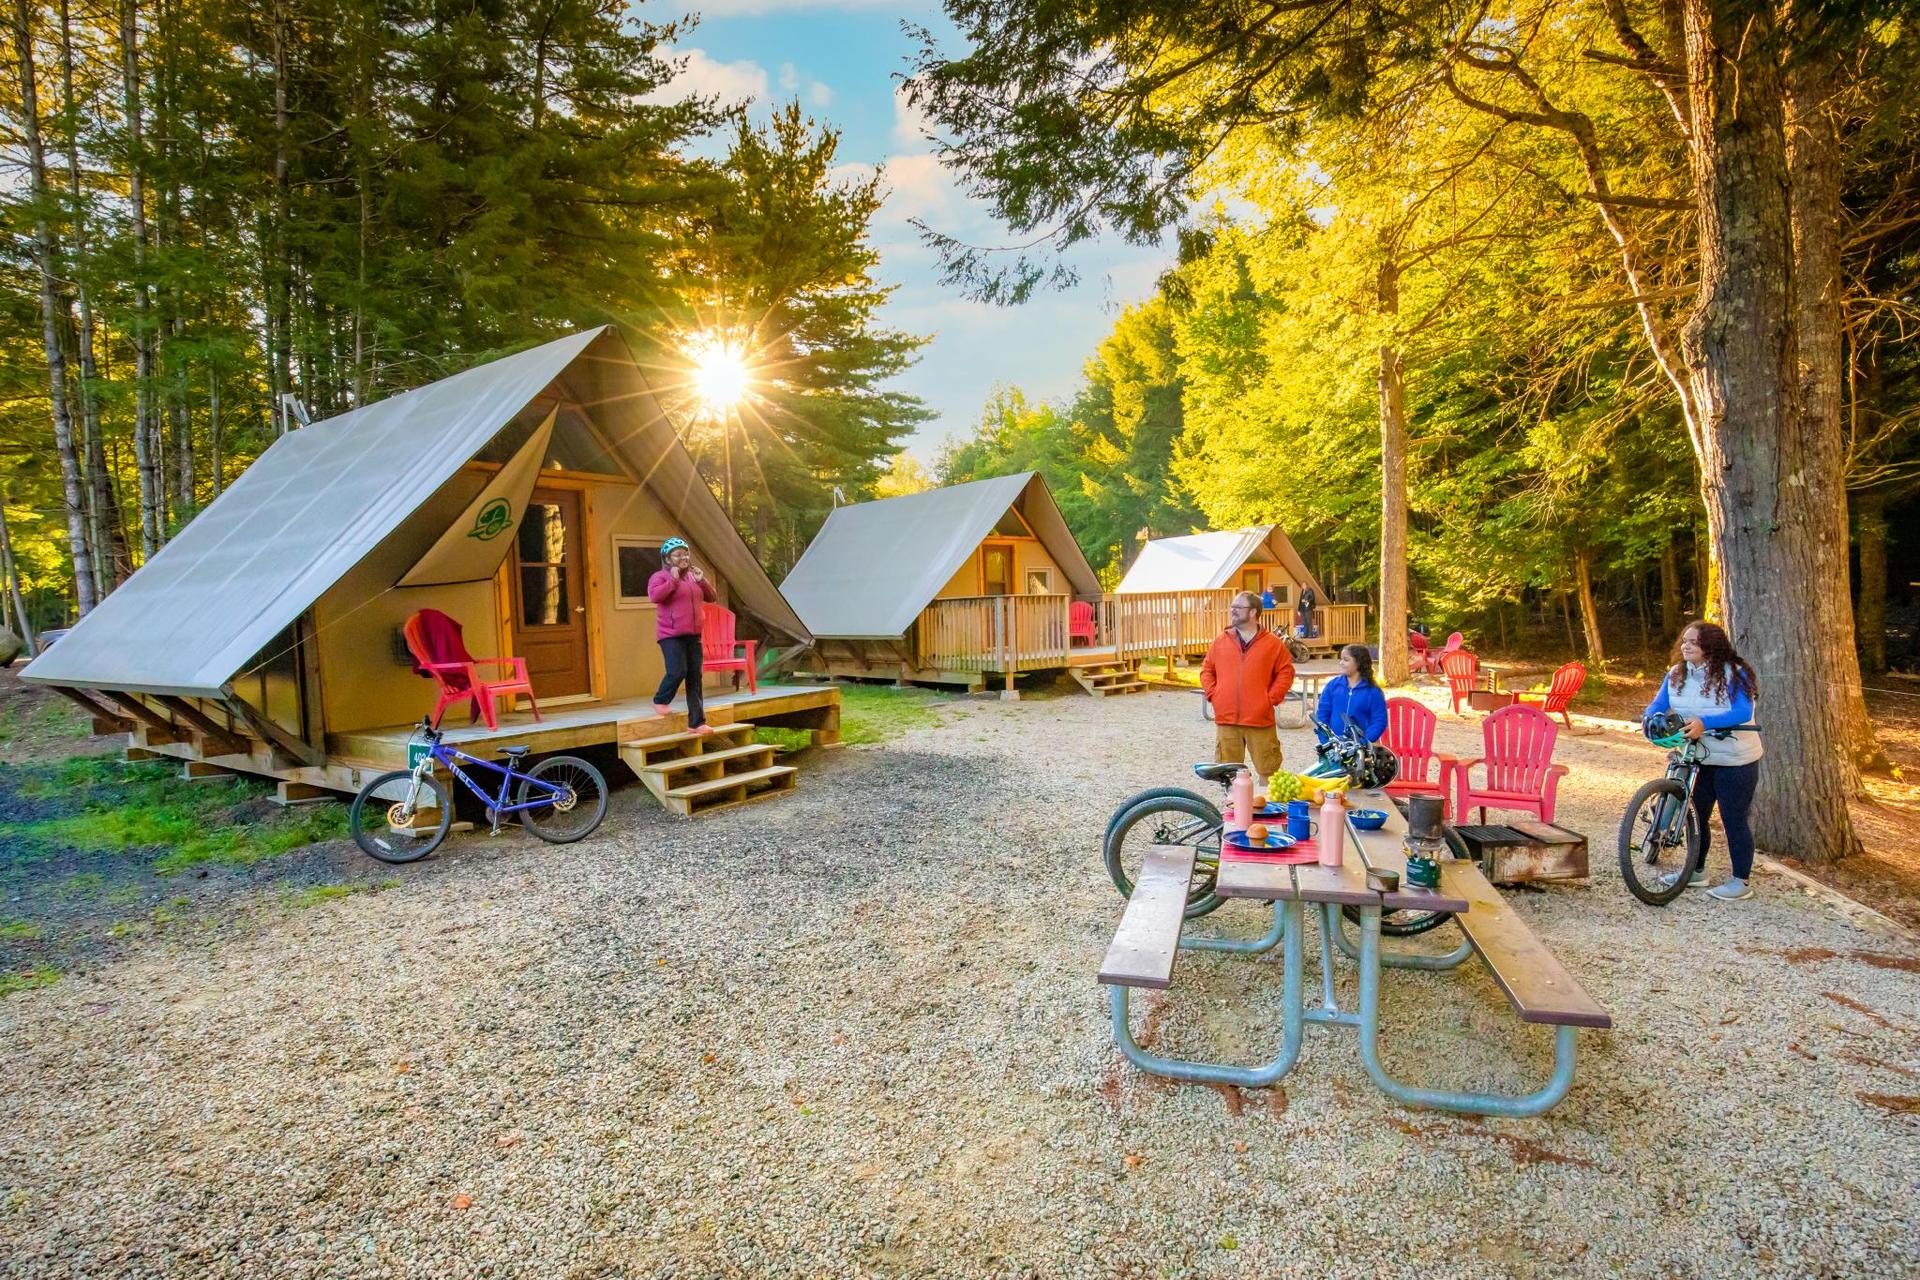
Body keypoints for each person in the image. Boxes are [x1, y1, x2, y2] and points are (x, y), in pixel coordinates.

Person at [1643, 620, 1763, 901]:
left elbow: (1743, 712)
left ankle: (1741, 881)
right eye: (1684, 641)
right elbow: (1658, 704)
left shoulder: (1735, 674)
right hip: (1698, 757)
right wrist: (1650, 719)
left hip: (1736, 759)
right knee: (1696, 815)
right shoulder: (1676, 674)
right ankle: (1696, 870)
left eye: (1693, 642)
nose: (1685, 646)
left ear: (1710, 646)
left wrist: (1704, 723)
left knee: (1734, 818)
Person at [1201, 591, 1295, 789]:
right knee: (1228, 775)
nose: (1232, 611)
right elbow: (1207, 670)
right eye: (1232, 607)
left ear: (1253, 612)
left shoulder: (1272, 644)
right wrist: (1214, 694)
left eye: (1238, 607)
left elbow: (1286, 672)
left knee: (1268, 772)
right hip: (1227, 720)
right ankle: (1234, 817)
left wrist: (1270, 699)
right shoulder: (1221, 641)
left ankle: (1265, 815)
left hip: (1259, 720)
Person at [648, 537, 717, 734]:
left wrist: (702, 580)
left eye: (685, 553)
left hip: (693, 635)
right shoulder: (659, 577)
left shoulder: (692, 578)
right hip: (670, 635)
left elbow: (712, 597)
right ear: (667, 559)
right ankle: (660, 701)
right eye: (678, 554)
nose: (683, 557)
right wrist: (674, 579)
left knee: (695, 677)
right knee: (677, 671)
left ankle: (696, 723)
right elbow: (655, 597)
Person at [1316, 643, 1388, 744]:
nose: (1341, 663)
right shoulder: (1332, 686)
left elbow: (1379, 721)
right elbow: (1323, 714)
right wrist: (1326, 740)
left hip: (1361, 750)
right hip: (1333, 747)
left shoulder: (1373, 692)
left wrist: (1363, 742)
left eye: (1346, 660)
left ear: (1358, 663)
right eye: (1341, 659)